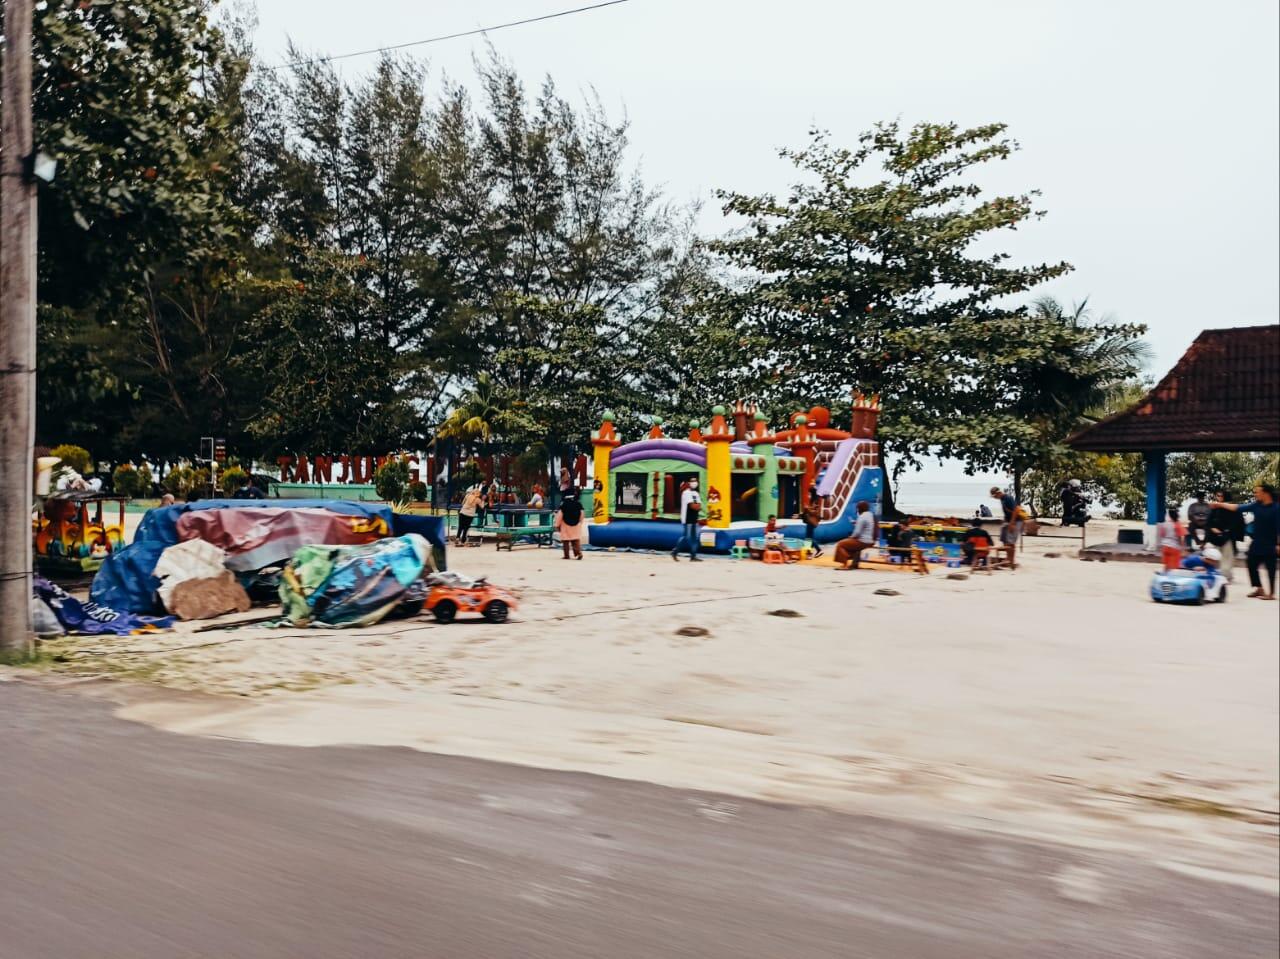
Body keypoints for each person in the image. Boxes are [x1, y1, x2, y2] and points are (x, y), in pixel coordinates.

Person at [1214, 484, 1279, 599]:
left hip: (1270, 543)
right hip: (1257, 542)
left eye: (1257, 492)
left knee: (1271, 569)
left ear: (1266, 493)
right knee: (1251, 563)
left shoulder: (1276, 508)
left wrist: (1278, 544)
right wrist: (1219, 504)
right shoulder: (1256, 505)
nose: (1255, 494)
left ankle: (1271, 594)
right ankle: (1259, 588)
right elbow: (1237, 507)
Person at [1208, 490, 1245, 584]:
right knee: (1216, 556)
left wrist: (1226, 531)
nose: (1219, 498)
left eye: (1221, 496)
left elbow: (1237, 522)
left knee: (1227, 558)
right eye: (1217, 495)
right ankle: (1219, 576)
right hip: (1216, 537)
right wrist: (1213, 528)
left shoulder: (1231, 508)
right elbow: (1209, 521)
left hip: (1228, 536)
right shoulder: (1215, 508)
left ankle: (1226, 577)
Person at [834, 500, 877, 570]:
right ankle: (853, 563)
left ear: (860, 509)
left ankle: (845, 564)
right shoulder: (870, 514)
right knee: (850, 545)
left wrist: (851, 537)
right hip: (870, 540)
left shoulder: (862, 517)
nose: (857, 510)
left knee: (840, 544)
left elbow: (857, 533)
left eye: (858, 508)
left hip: (863, 541)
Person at [990, 486, 1024, 568]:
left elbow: (1015, 510)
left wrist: (1012, 524)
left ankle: (1011, 561)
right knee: (1004, 539)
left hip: (1016, 521)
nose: (994, 498)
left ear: (998, 493)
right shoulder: (1002, 499)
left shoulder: (1008, 498)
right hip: (1008, 521)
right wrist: (1005, 521)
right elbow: (1007, 512)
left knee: (1011, 542)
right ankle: (1008, 558)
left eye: (994, 496)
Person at [672, 476, 702, 562]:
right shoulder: (686, 493)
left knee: (695, 538)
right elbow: (692, 506)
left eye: (696, 481)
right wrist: (696, 506)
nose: (694, 482)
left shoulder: (696, 493)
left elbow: (699, 506)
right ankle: (675, 552)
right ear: (688, 483)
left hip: (694, 518)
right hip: (687, 518)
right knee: (686, 537)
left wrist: (696, 506)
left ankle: (693, 556)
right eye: (692, 481)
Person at [555, 490, 585, 560]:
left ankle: (566, 555)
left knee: (565, 541)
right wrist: (580, 522)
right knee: (575, 540)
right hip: (576, 525)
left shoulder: (563, 505)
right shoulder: (578, 504)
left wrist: (557, 525)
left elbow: (560, 516)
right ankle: (578, 553)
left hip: (565, 526)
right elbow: (582, 514)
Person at [1156, 507, 1185, 571]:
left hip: (1165, 547)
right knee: (1173, 568)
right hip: (1174, 548)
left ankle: (1164, 578)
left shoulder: (1164, 524)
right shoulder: (1177, 524)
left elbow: (1162, 535)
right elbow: (1181, 538)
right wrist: (1182, 548)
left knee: (1166, 566)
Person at [801, 486, 824, 558]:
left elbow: (815, 512)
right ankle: (809, 553)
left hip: (811, 521)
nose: (808, 495)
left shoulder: (815, 501)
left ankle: (818, 550)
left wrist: (807, 509)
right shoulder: (813, 500)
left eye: (809, 493)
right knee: (808, 538)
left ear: (811, 493)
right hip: (810, 521)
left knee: (808, 538)